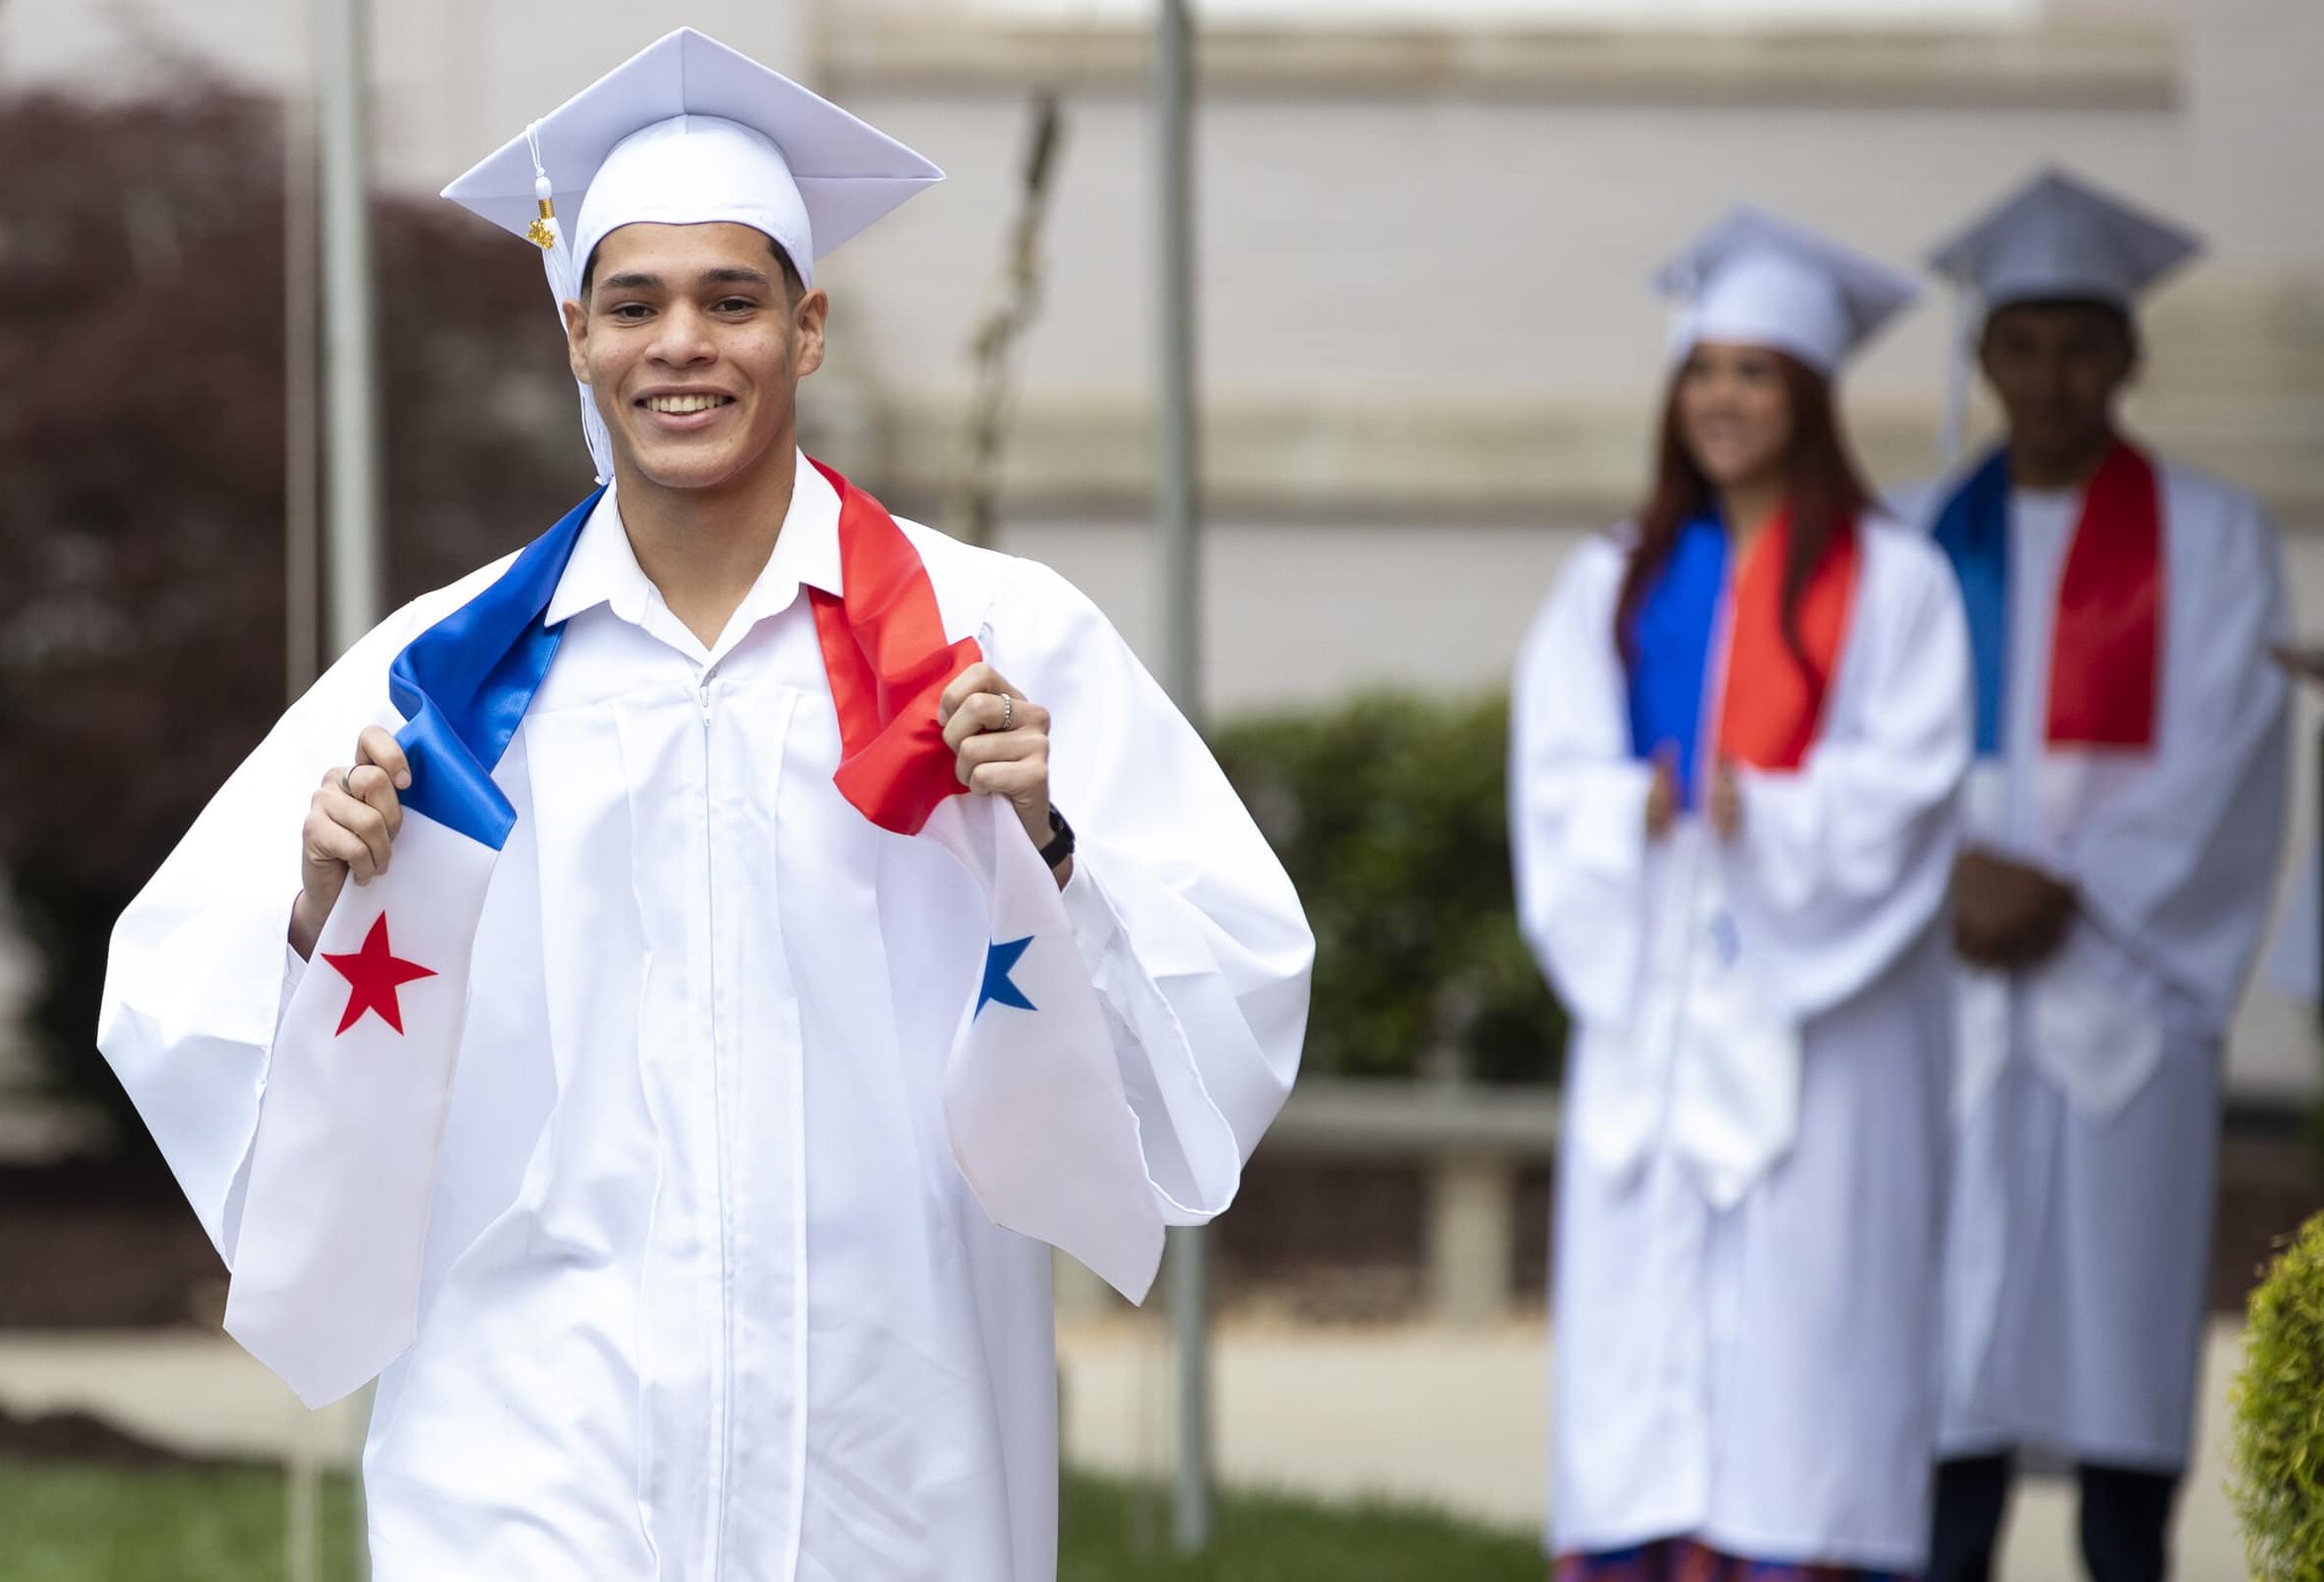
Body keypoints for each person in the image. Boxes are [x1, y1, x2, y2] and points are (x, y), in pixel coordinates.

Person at [97, 29, 1312, 1580]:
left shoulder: (998, 641)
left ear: (806, 330)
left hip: (886, 1404)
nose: (684, 344)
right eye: (635, 303)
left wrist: (1054, 848)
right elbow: (174, 996)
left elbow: (1233, 994)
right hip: (533, 1406)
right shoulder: (444, 672)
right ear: (576, 339)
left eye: (732, 301)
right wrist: (312, 903)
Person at [1510, 208, 1973, 1581]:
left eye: (1756, 372)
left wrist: (1769, 814)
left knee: (1803, 1336)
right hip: (1655, 994)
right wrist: (1626, 809)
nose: (1722, 398)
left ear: (1812, 396)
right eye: (1702, 371)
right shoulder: (1617, 575)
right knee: (1648, 1329)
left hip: (1814, 1021)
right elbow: (1555, 774)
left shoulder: (1894, 584)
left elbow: (1914, 782)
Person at [1910, 168, 2290, 1582]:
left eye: (2082, 341)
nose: (2052, 374)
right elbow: (1870, 759)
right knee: (1947, 1410)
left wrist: (2055, 887)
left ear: (2128, 352)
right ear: (1983, 356)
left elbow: (2229, 762)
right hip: (1949, 1007)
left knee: (2121, 1403)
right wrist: (1950, 878)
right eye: (2022, 342)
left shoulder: (2213, 536)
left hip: (2124, 1008)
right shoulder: (1911, 535)